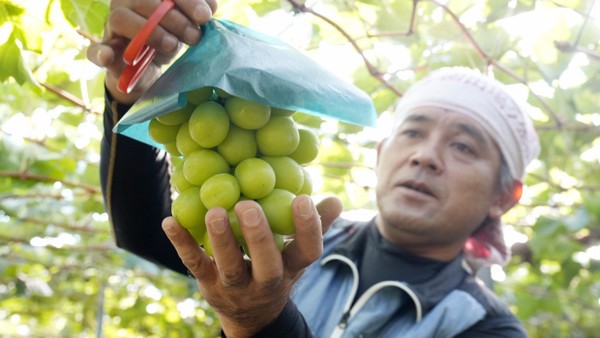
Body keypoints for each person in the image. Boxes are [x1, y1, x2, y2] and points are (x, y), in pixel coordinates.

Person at [88, 1, 539, 336]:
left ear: (505, 196)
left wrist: (261, 322)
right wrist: (134, 94)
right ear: (382, 156)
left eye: (463, 146)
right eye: (413, 133)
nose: (425, 156)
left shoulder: (487, 328)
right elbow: (146, 231)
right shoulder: (287, 234)